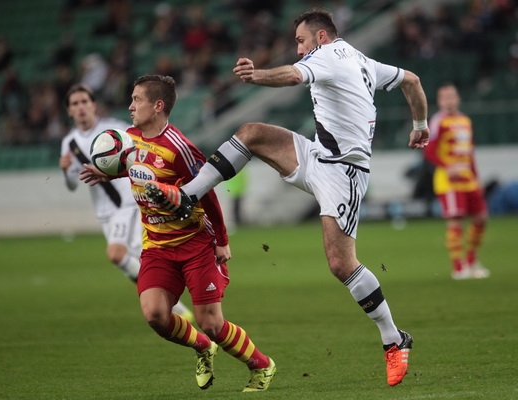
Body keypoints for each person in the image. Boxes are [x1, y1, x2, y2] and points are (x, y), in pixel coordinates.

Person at [143, 8, 429, 387]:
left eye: (300, 41)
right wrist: (420, 126)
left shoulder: (327, 55)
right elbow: (411, 79)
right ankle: (187, 195)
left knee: (341, 264)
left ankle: (394, 339)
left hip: (344, 173)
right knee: (251, 133)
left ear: (321, 37)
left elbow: (293, 75)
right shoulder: (364, 61)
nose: (299, 50)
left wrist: (255, 75)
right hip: (319, 155)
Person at [80, 75, 275, 392]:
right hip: (157, 246)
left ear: (157, 106)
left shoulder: (179, 149)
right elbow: (131, 169)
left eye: (137, 99)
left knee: (211, 323)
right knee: (155, 315)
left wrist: (222, 241)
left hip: (195, 245)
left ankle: (262, 366)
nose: (130, 106)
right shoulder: (128, 140)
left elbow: (208, 194)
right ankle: (202, 348)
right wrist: (105, 173)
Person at [59, 83, 193, 321]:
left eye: (84, 102)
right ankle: (166, 303)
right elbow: (71, 185)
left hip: (128, 203)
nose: (80, 107)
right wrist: (66, 171)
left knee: (117, 254)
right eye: (74, 104)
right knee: (139, 260)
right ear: (69, 111)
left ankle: (176, 308)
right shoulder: (69, 143)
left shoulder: (116, 130)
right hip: (105, 213)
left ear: (93, 106)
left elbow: (143, 150)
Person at [423, 83, 490, 280]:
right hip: (448, 180)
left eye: (452, 96)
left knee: (481, 218)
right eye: (445, 97)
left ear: (458, 98)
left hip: (468, 178)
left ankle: (471, 260)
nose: (449, 100)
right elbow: (429, 150)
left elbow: (469, 153)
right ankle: (458, 266)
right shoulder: (437, 122)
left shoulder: (465, 121)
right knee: (456, 220)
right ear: (440, 101)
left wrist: (477, 178)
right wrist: (446, 166)